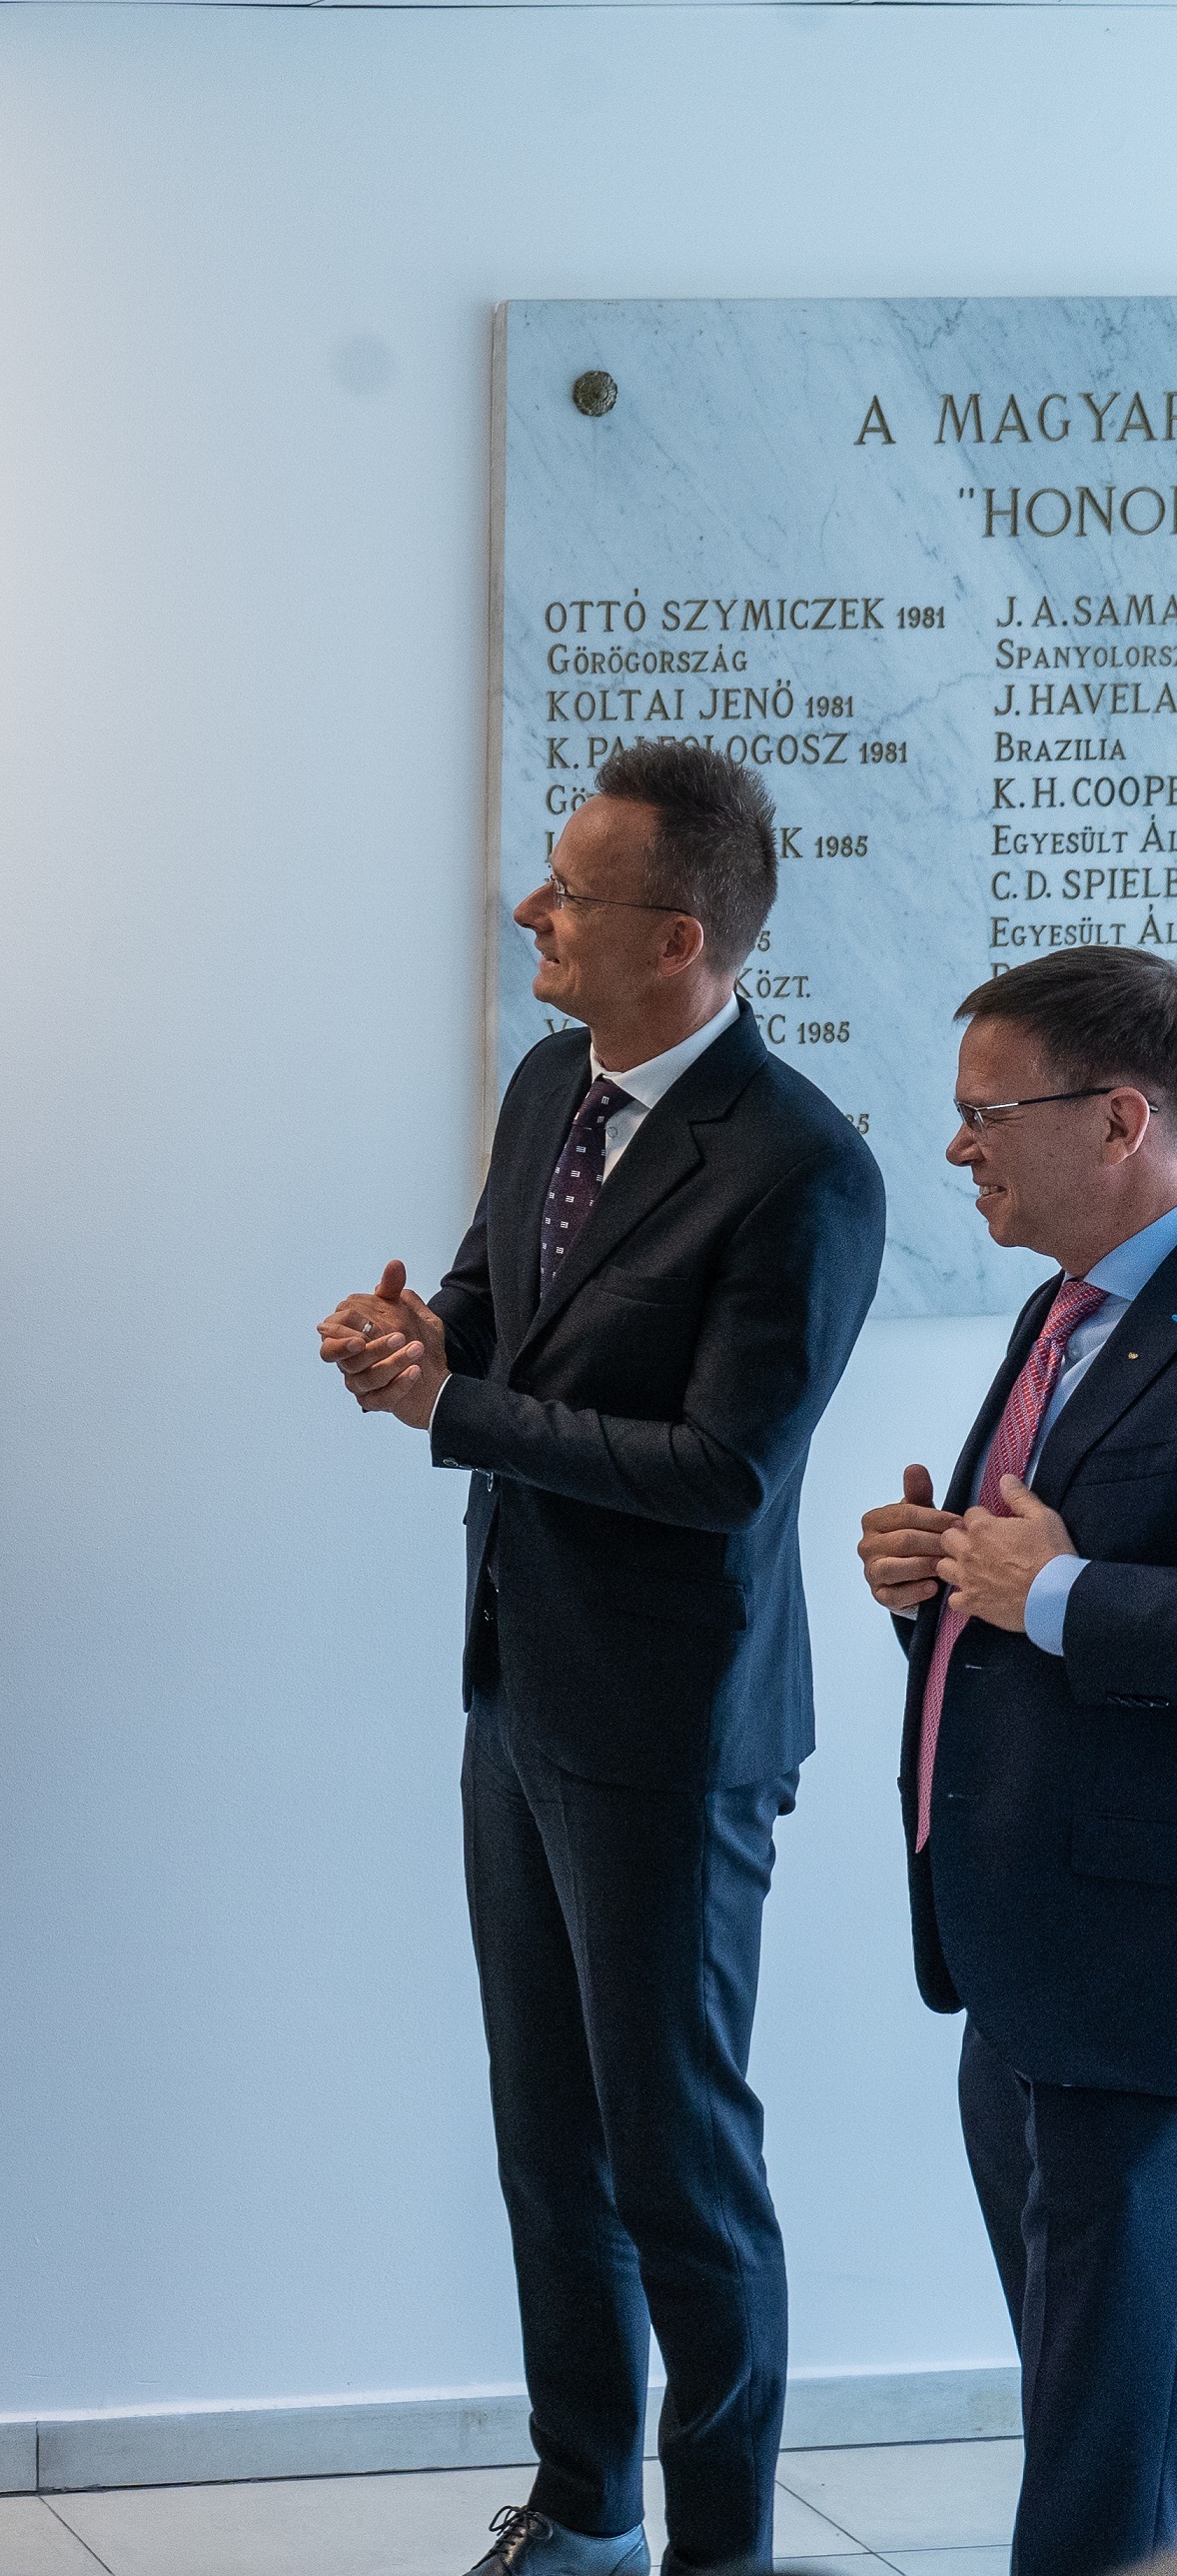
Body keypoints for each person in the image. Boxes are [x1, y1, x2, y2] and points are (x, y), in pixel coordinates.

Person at [322, 742, 885, 2576]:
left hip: (672, 1733)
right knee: (548, 2146)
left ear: (678, 939)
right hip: (516, 1692)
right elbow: (500, 1305)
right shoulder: (549, 1082)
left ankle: (721, 2552)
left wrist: (457, 1407)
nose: (529, 912)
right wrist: (419, 1337)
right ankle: (583, 2513)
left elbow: (726, 1473)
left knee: (679, 2168)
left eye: (567, 892)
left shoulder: (803, 1168)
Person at [853, 946, 1177, 2576]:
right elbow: (1023, 1585)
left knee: (1100, 2405)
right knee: (1087, 2376)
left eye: (989, 1114)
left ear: (1120, 1118)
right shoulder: (1067, 1309)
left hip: (1132, 1959)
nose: (957, 1148)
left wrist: (1050, 1592)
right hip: (1018, 1939)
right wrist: (937, 1584)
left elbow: (1063, 1587)